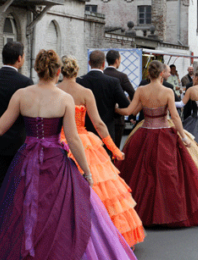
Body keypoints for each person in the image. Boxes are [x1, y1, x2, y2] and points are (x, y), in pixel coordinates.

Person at [0, 49, 136, 260]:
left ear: (36, 69)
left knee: (19, 210)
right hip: (56, 162)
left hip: (26, 160)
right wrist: (87, 172)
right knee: (60, 211)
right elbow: (73, 139)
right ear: (58, 70)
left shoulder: (22, 95)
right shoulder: (65, 98)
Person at [115, 61, 198, 226]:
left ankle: (140, 212)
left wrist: (116, 109)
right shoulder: (168, 91)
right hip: (164, 135)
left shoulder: (141, 90)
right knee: (169, 174)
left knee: (141, 172)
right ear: (162, 74)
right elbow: (175, 116)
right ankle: (170, 212)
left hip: (144, 134)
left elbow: (129, 112)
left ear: (149, 73)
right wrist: (183, 136)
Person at [57, 55, 145, 247]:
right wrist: (113, 148)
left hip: (58, 143)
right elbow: (98, 123)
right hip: (84, 141)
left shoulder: (54, 91)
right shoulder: (85, 92)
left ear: (60, 70)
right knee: (99, 190)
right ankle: (101, 237)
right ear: (77, 70)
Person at [0, 42, 34, 229]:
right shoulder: (25, 83)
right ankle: (11, 224)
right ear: (19, 58)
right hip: (17, 144)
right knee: (16, 184)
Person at [77, 50, 129, 154]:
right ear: (103, 64)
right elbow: (125, 104)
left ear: (89, 63)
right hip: (107, 128)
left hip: (86, 129)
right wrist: (114, 106)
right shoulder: (113, 82)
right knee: (106, 161)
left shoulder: (80, 81)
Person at [103, 50, 135, 148]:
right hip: (117, 118)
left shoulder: (101, 74)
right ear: (117, 60)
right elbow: (133, 93)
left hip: (100, 117)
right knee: (115, 149)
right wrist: (129, 109)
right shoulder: (121, 76)